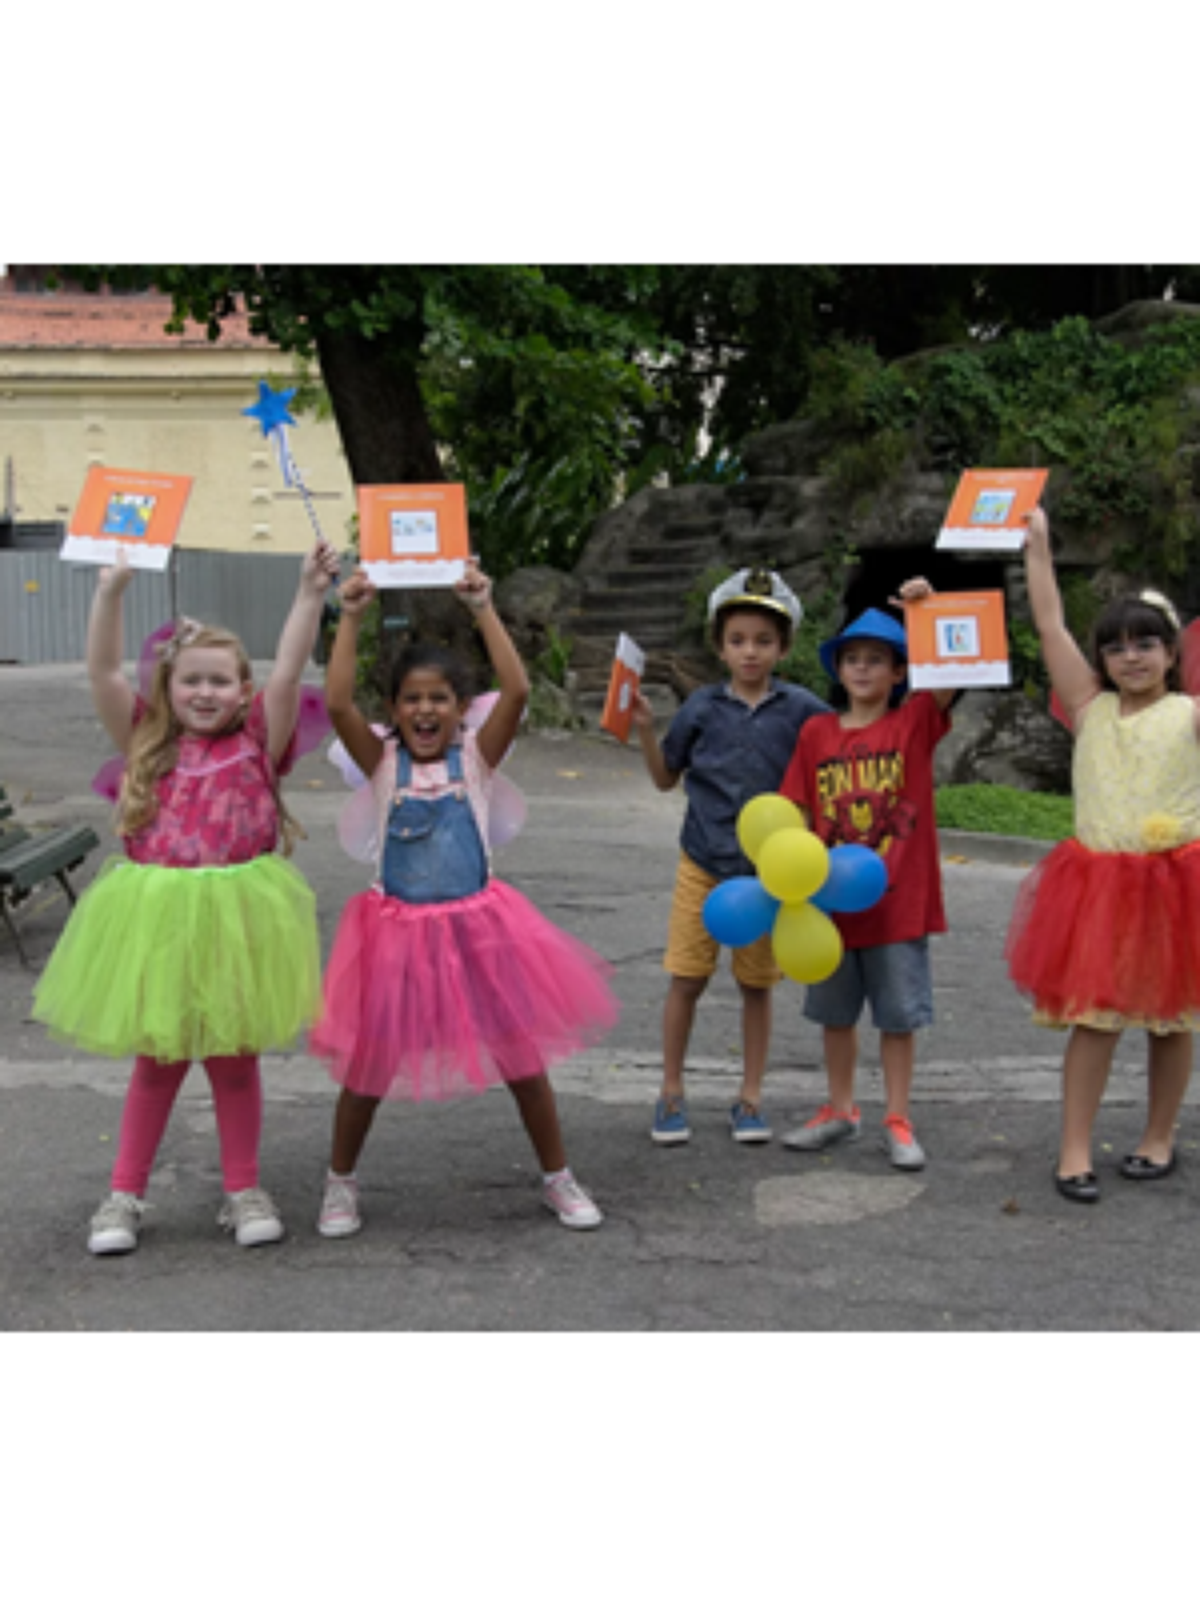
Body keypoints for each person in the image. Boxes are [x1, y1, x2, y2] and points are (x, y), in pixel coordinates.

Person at [34, 543, 339, 1257]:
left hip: (239, 920)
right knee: (158, 1061)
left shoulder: (262, 740)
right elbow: (104, 670)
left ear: (242, 689)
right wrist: (110, 593)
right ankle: (124, 1196)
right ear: (168, 689)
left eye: (221, 682)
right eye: (191, 681)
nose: (205, 693)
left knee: (234, 1060)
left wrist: (306, 593)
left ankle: (244, 1189)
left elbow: (292, 667)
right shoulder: (146, 740)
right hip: (160, 923)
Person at [311, 561, 618, 1239]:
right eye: (412, 699)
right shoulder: (383, 765)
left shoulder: (477, 759)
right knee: (368, 1067)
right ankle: (340, 1183)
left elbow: (516, 687)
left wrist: (482, 605)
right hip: (394, 936)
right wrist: (352, 612)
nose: (426, 710)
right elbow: (335, 703)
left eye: (440, 698)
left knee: (522, 1060)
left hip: (481, 929)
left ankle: (558, 1177)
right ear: (393, 710)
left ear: (458, 707)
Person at [1008, 509, 1200, 1205]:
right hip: (1098, 887)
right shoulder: (1087, 706)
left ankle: (1158, 1136)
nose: (1132, 656)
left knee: (1172, 1017)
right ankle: (1075, 1149)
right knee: (1094, 1018)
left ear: (1173, 652)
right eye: (1116, 646)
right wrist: (1038, 550)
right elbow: (1050, 624)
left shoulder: (1190, 713)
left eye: (1147, 643)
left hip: (1177, 885)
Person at [633, 568, 828, 1149]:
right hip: (703, 864)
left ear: (784, 647)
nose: (750, 652)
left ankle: (751, 1098)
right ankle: (670, 1090)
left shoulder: (804, 711)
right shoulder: (699, 708)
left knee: (757, 987)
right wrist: (646, 730)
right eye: (739, 640)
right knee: (686, 980)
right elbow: (667, 778)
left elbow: (826, 776)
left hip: (769, 879)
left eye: (764, 641)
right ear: (720, 646)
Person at [780, 585, 956, 1173]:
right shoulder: (816, 734)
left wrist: (924, 613)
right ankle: (839, 1108)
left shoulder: (914, 724)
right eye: (853, 658)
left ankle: (898, 1117)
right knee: (834, 1014)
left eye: (876, 658)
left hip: (897, 902)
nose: (862, 668)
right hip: (828, 908)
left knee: (898, 1018)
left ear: (900, 670)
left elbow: (953, 671)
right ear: (838, 667)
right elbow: (796, 812)